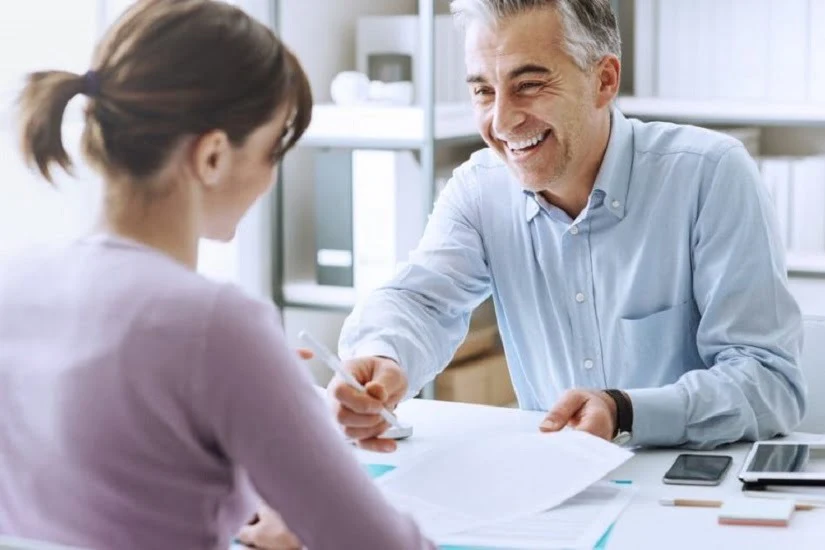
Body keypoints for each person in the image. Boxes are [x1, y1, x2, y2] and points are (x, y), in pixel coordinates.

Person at [0, 1, 434, 549]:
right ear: (211, 157)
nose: (272, 176)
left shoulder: (11, 283)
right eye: (273, 149)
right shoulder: (215, 326)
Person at [329, 0, 807, 453]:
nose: (502, 121)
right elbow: (420, 301)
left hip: (688, 492)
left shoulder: (709, 174)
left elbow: (769, 382)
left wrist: (626, 411)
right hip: (559, 495)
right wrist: (384, 357)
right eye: (483, 91)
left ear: (604, 80)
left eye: (529, 85)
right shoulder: (479, 189)